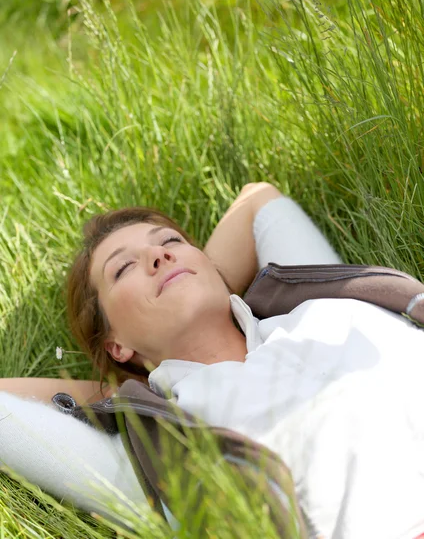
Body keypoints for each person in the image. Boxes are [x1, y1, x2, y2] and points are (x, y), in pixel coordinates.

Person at [2, 182, 424, 538]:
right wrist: (115, 393)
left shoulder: (317, 299)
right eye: (123, 268)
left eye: (171, 242)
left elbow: (257, 200)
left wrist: (203, 280)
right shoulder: (162, 448)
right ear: (116, 343)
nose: (159, 256)